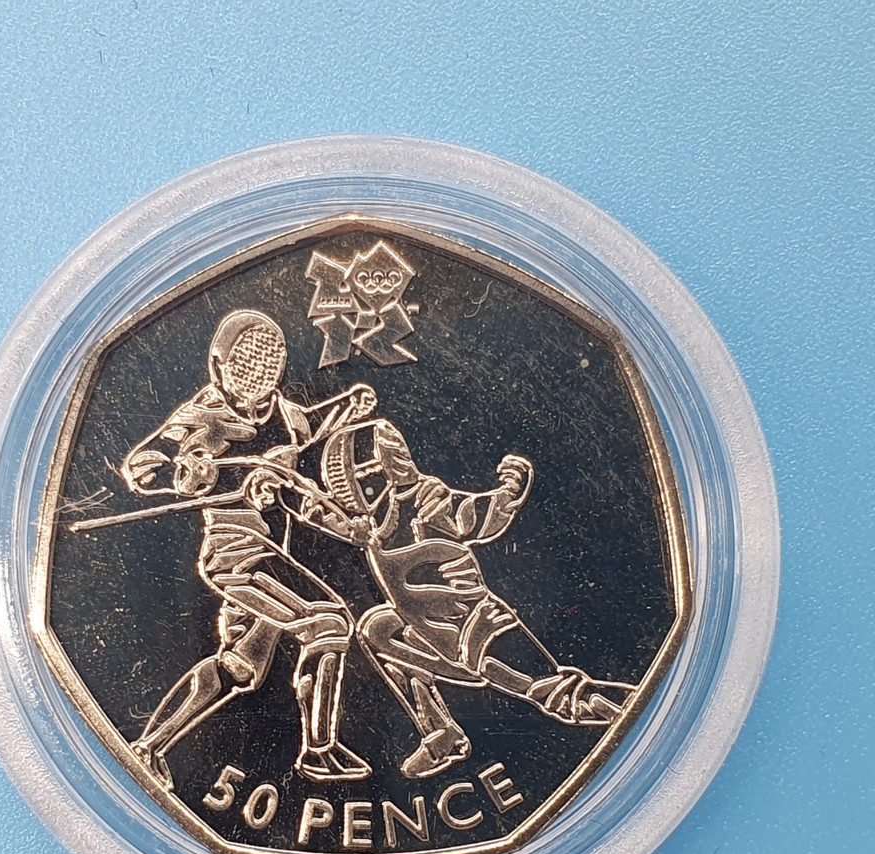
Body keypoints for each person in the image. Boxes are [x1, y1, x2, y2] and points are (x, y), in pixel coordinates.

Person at [121, 309, 377, 790]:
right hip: (236, 554)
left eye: (268, 358)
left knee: (239, 668)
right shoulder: (201, 417)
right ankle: (319, 751)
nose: (258, 369)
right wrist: (193, 472)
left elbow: (298, 479)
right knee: (328, 621)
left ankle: (148, 747)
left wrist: (348, 526)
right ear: (221, 364)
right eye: (247, 359)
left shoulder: (286, 417)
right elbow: (147, 466)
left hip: (271, 553)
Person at [300, 418, 636, 779]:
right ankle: (441, 735)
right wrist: (315, 512)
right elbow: (350, 529)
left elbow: (477, 516)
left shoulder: (427, 502)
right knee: (378, 628)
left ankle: (636, 707)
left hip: (479, 629)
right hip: (432, 637)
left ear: (379, 473)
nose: (347, 498)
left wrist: (509, 490)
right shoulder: (374, 526)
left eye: (349, 485)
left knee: (555, 692)